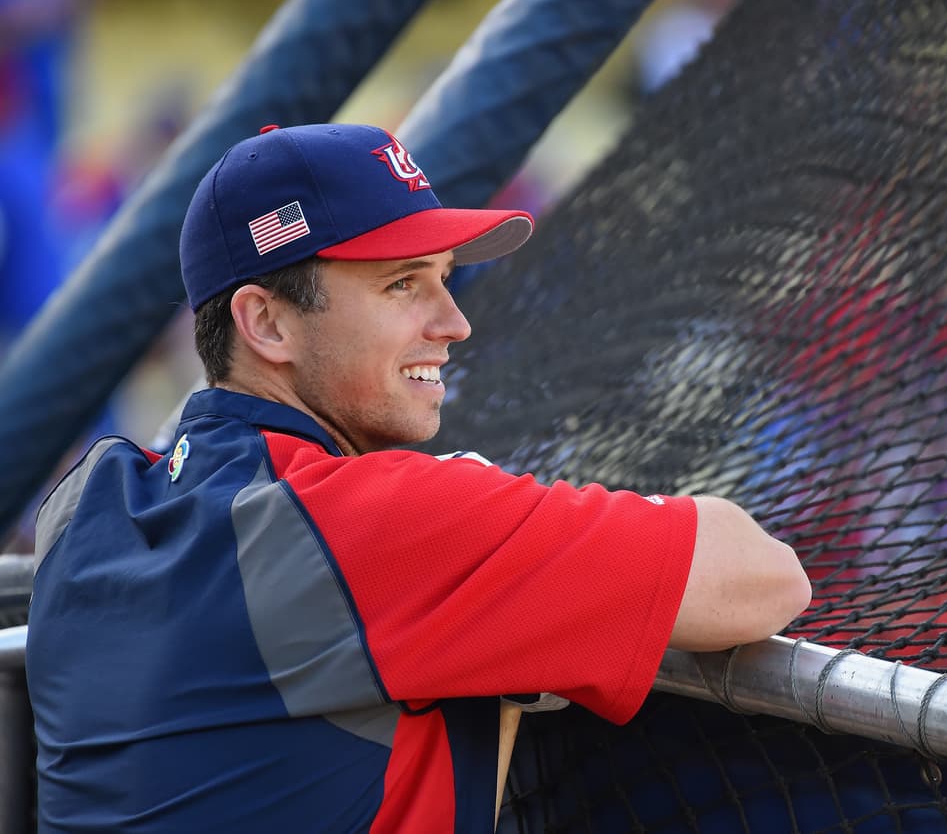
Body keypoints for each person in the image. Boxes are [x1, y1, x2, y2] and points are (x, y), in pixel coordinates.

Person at [24, 122, 811, 833]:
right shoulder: (371, 521)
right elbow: (764, 577)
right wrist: (494, 526)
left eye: (444, 276)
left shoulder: (89, 504)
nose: (454, 322)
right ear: (267, 322)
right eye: (402, 283)